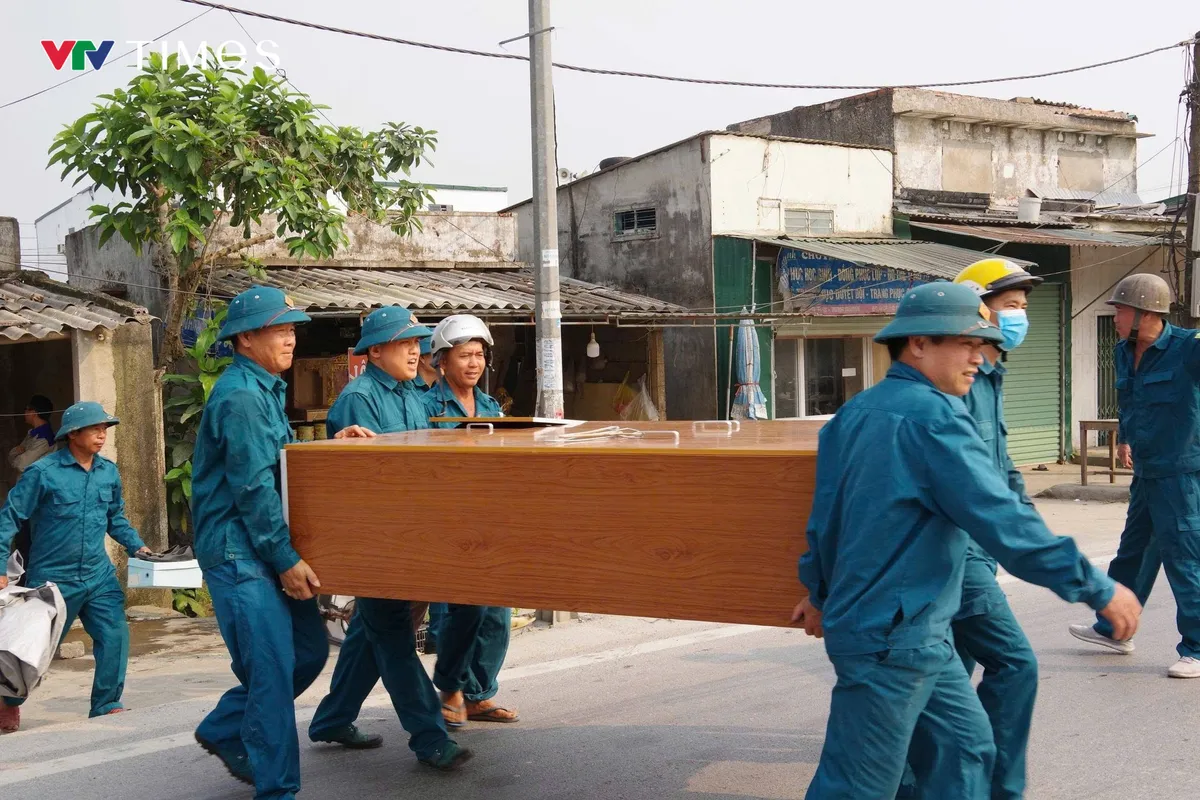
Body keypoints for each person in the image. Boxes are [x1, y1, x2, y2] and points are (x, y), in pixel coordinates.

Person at [793, 281, 1141, 799]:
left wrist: (820, 592)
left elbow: (825, 523)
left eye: (982, 345)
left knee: (966, 750)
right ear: (918, 344)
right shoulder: (933, 419)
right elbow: (1001, 519)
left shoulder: (856, 412)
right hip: (891, 635)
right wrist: (1097, 587)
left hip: (915, 630)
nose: (979, 358)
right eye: (966, 344)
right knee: (856, 786)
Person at [190, 286, 373, 797]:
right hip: (240, 551)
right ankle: (278, 790)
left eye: (292, 330)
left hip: (262, 544)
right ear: (246, 338)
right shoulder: (243, 397)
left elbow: (275, 460)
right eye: (280, 331)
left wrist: (327, 447)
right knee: (272, 673)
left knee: (308, 653)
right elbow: (253, 490)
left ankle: (225, 727)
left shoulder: (263, 388)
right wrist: (286, 560)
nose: (291, 339)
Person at [307, 306, 473, 770]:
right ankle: (429, 738)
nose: (415, 352)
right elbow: (370, 479)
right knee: (394, 636)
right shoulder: (359, 399)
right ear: (375, 351)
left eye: (417, 343)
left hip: (411, 533)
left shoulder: (413, 395)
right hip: (375, 539)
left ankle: (332, 719)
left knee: (372, 631)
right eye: (404, 344)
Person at [904, 259, 1041, 800]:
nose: (1019, 317)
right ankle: (997, 787)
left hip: (977, 549)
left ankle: (916, 786)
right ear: (976, 311)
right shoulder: (955, 383)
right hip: (956, 552)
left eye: (1023, 308)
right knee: (1015, 663)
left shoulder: (989, 374)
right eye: (1010, 306)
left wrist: (1027, 525)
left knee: (944, 678)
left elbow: (1000, 467)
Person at [1068, 273, 1200, 679]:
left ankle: (1197, 648)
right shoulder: (1124, 351)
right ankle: (1114, 629)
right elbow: (1129, 400)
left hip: (1181, 474)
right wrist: (1125, 439)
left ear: (1147, 314)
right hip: (1146, 470)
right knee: (1133, 553)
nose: (1116, 319)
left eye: (1121, 311)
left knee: (1184, 559)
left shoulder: (1188, 348)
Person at [0, 401, 151, 733]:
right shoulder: (43, 473)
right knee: (35, 650)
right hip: (54, 579)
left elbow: (116, 518)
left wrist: (137, 546)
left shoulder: (108, 472)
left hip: (98, 575)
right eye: (95, 428)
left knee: (114, 634)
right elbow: (9, 518)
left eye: (105, 428)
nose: (102, 434)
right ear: (73, 434)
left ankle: (106, 704)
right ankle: (8, 701)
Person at [424, 314, 519, 727]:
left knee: (496, 613)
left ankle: (479, 694)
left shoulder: (491, 407)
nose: (474, 363)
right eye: (465, 355)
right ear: (443, 360)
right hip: (446, 520)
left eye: (479, 355)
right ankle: (452, 691)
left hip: (487, 518)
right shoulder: (426, 406)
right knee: (453, 612)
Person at [7, 395, 56, 474]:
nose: (24, 413)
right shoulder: (33, 433)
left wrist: (16, 453)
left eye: (26, 409)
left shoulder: (44, 438)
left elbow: (20, 465)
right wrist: (15, 452)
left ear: (33, 413)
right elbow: (10, 457)